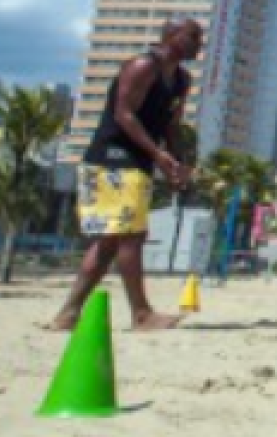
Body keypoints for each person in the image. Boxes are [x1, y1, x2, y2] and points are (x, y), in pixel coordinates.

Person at [47, 17, 200, 333]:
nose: (200, 44)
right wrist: (158, 154)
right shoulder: (143, 65)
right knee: (131, 236)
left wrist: (178, 161)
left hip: (139, 160)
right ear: (171, 35)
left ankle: (68, 313)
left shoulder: (182, 79)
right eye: (194, 37)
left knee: (110, 242)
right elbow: (123, 113)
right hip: (110, 157)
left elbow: (171, 125)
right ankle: (142, 314)